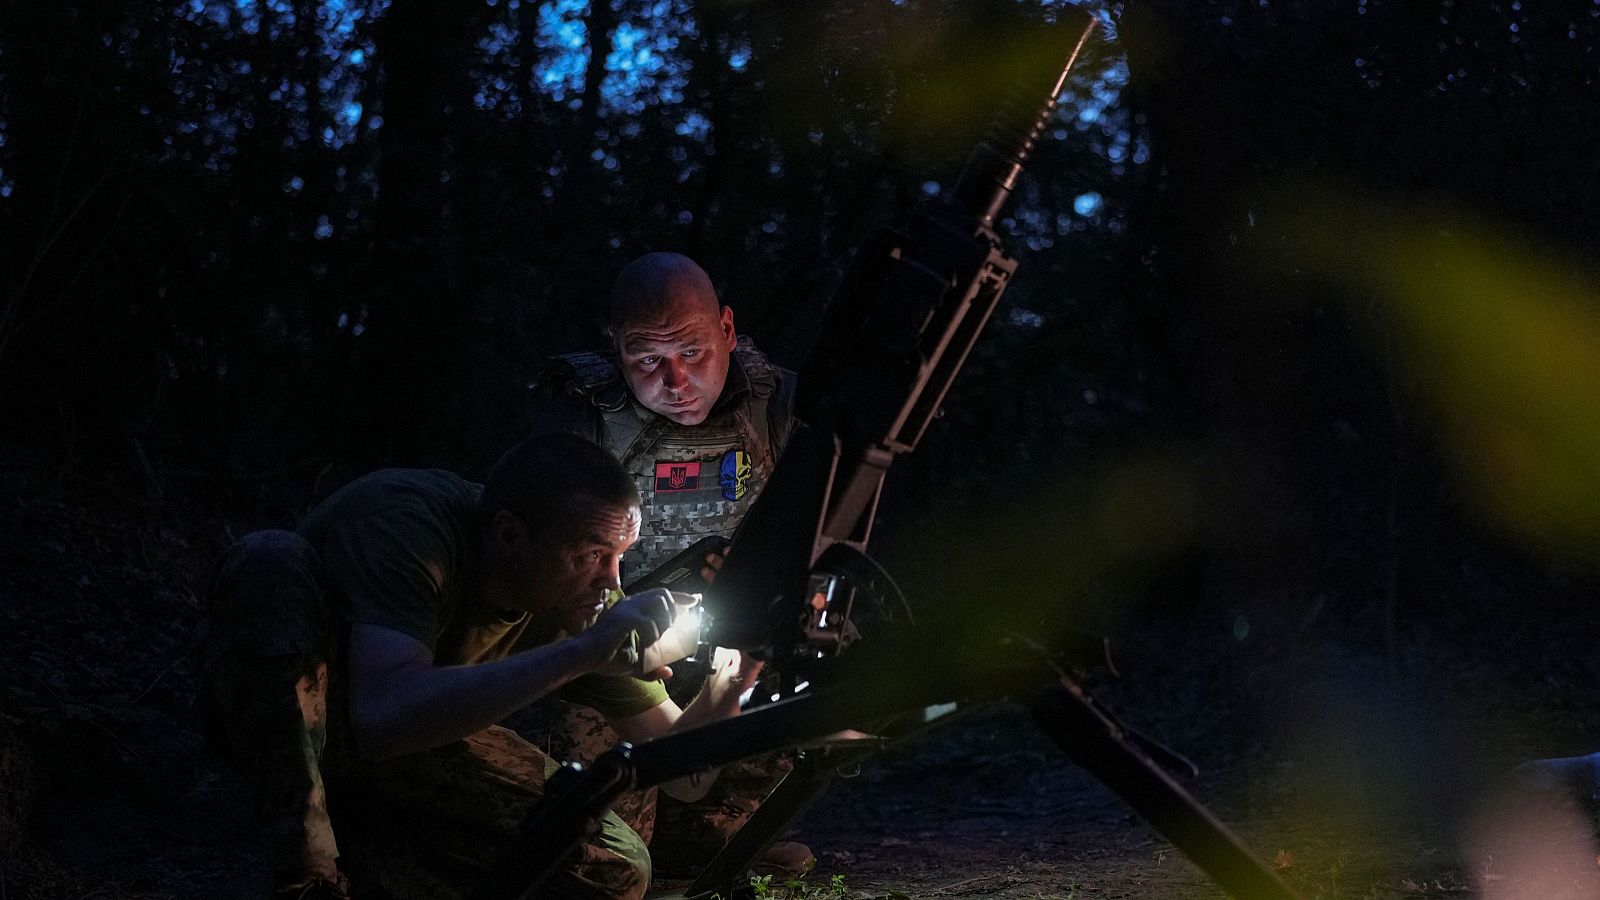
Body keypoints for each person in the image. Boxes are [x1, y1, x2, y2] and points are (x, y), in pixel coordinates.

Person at [200, 434, 759, 900]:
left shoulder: (582, 605)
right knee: (269, 561)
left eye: (619, 557)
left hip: (410, 746)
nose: (611, 581)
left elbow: (684, 778)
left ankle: (372, 856)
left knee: (613, 867)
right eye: (591, 556)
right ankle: (307, 874)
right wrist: (580, 654)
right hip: (310, 721)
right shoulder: (408, 526)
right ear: (510, 535)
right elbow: (380, 717)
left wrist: (729, 682)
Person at [526, 251, 811, 876]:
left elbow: (831, 528)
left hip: (735, 637)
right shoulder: (581, 416)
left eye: (694, 353)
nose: (676, 382)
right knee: (600, 842)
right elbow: (542, 576)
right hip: (611, 647)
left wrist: (781, 575)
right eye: (648, 360)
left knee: (788, 669)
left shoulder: (784, 406)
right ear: (616, 348)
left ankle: (713, 839)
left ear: (728, 332)